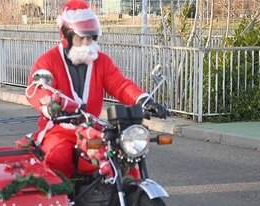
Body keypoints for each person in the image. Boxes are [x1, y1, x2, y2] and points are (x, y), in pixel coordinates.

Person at [25, 0, 168, 179]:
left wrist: (144, 100)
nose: (86, 42)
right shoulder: (49, 60)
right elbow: (37, 87)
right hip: (60, 128)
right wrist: (49, 105)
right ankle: (63, 203)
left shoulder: (101, 61)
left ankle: (130, 197)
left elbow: (120, 84)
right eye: (81, 37)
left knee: (124, 155)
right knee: (58, 157)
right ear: (66, 35)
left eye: (90, 37)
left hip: (93, 128)